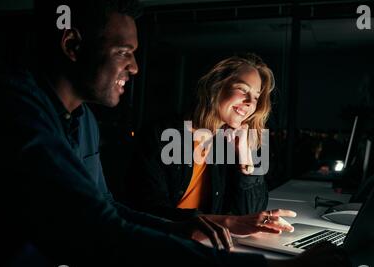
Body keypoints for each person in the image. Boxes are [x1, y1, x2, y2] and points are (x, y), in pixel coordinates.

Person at [0, 0, 351, 267]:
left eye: (256, 98)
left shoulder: (81, 119)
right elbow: (105, 231)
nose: (134, 66)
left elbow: (108, 209)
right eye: (124, 52)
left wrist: (245, 167)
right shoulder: (15, 109)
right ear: (72, 45)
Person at [125, 54, 295, 236]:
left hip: (209, 243)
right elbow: (149, 213)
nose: (250, 102)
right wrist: (226, 222)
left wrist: (246, 160)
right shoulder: (159, 136)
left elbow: (249, 215)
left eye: (256, 96)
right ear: (216, 86)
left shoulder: (229, 143)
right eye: (242, 89)